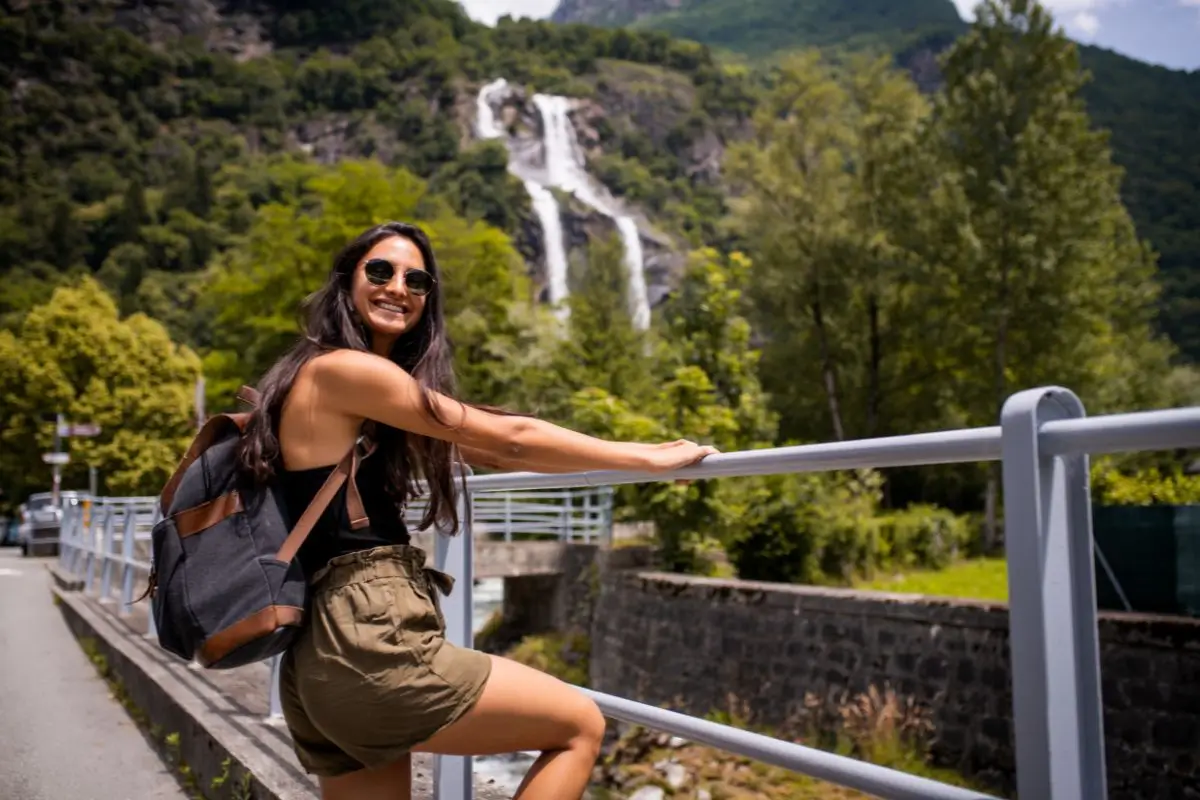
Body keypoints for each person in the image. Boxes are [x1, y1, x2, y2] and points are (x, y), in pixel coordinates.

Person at [236, 221, 717, 800]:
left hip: (319, 660)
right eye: (380, 271)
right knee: (579, 726)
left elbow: (488, 446)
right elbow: (510, 437)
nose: (398, 287)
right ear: (346, 281)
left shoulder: (338, 385)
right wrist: (647, 456)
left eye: (417, 279)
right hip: (368, 640)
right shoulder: (345, 371)